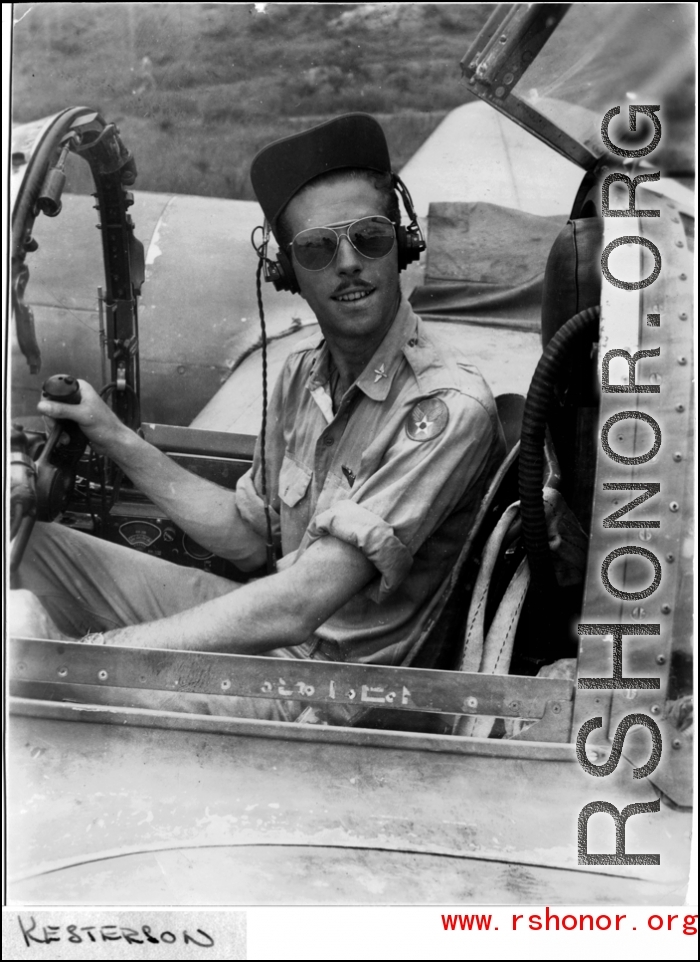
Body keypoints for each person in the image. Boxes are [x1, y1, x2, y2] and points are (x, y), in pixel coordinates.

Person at [12, 114, 505, 721]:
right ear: (287, 271)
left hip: (331, 693)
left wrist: (93, 655)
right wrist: (108, 433)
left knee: (41, 677)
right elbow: (250, 538)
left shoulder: (447, 409)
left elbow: (298, 604)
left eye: (370, 238)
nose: (348, 263)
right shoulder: (303, 375)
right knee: (32, 551)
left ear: (401, 246)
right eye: (319, 248)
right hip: (275, 635)